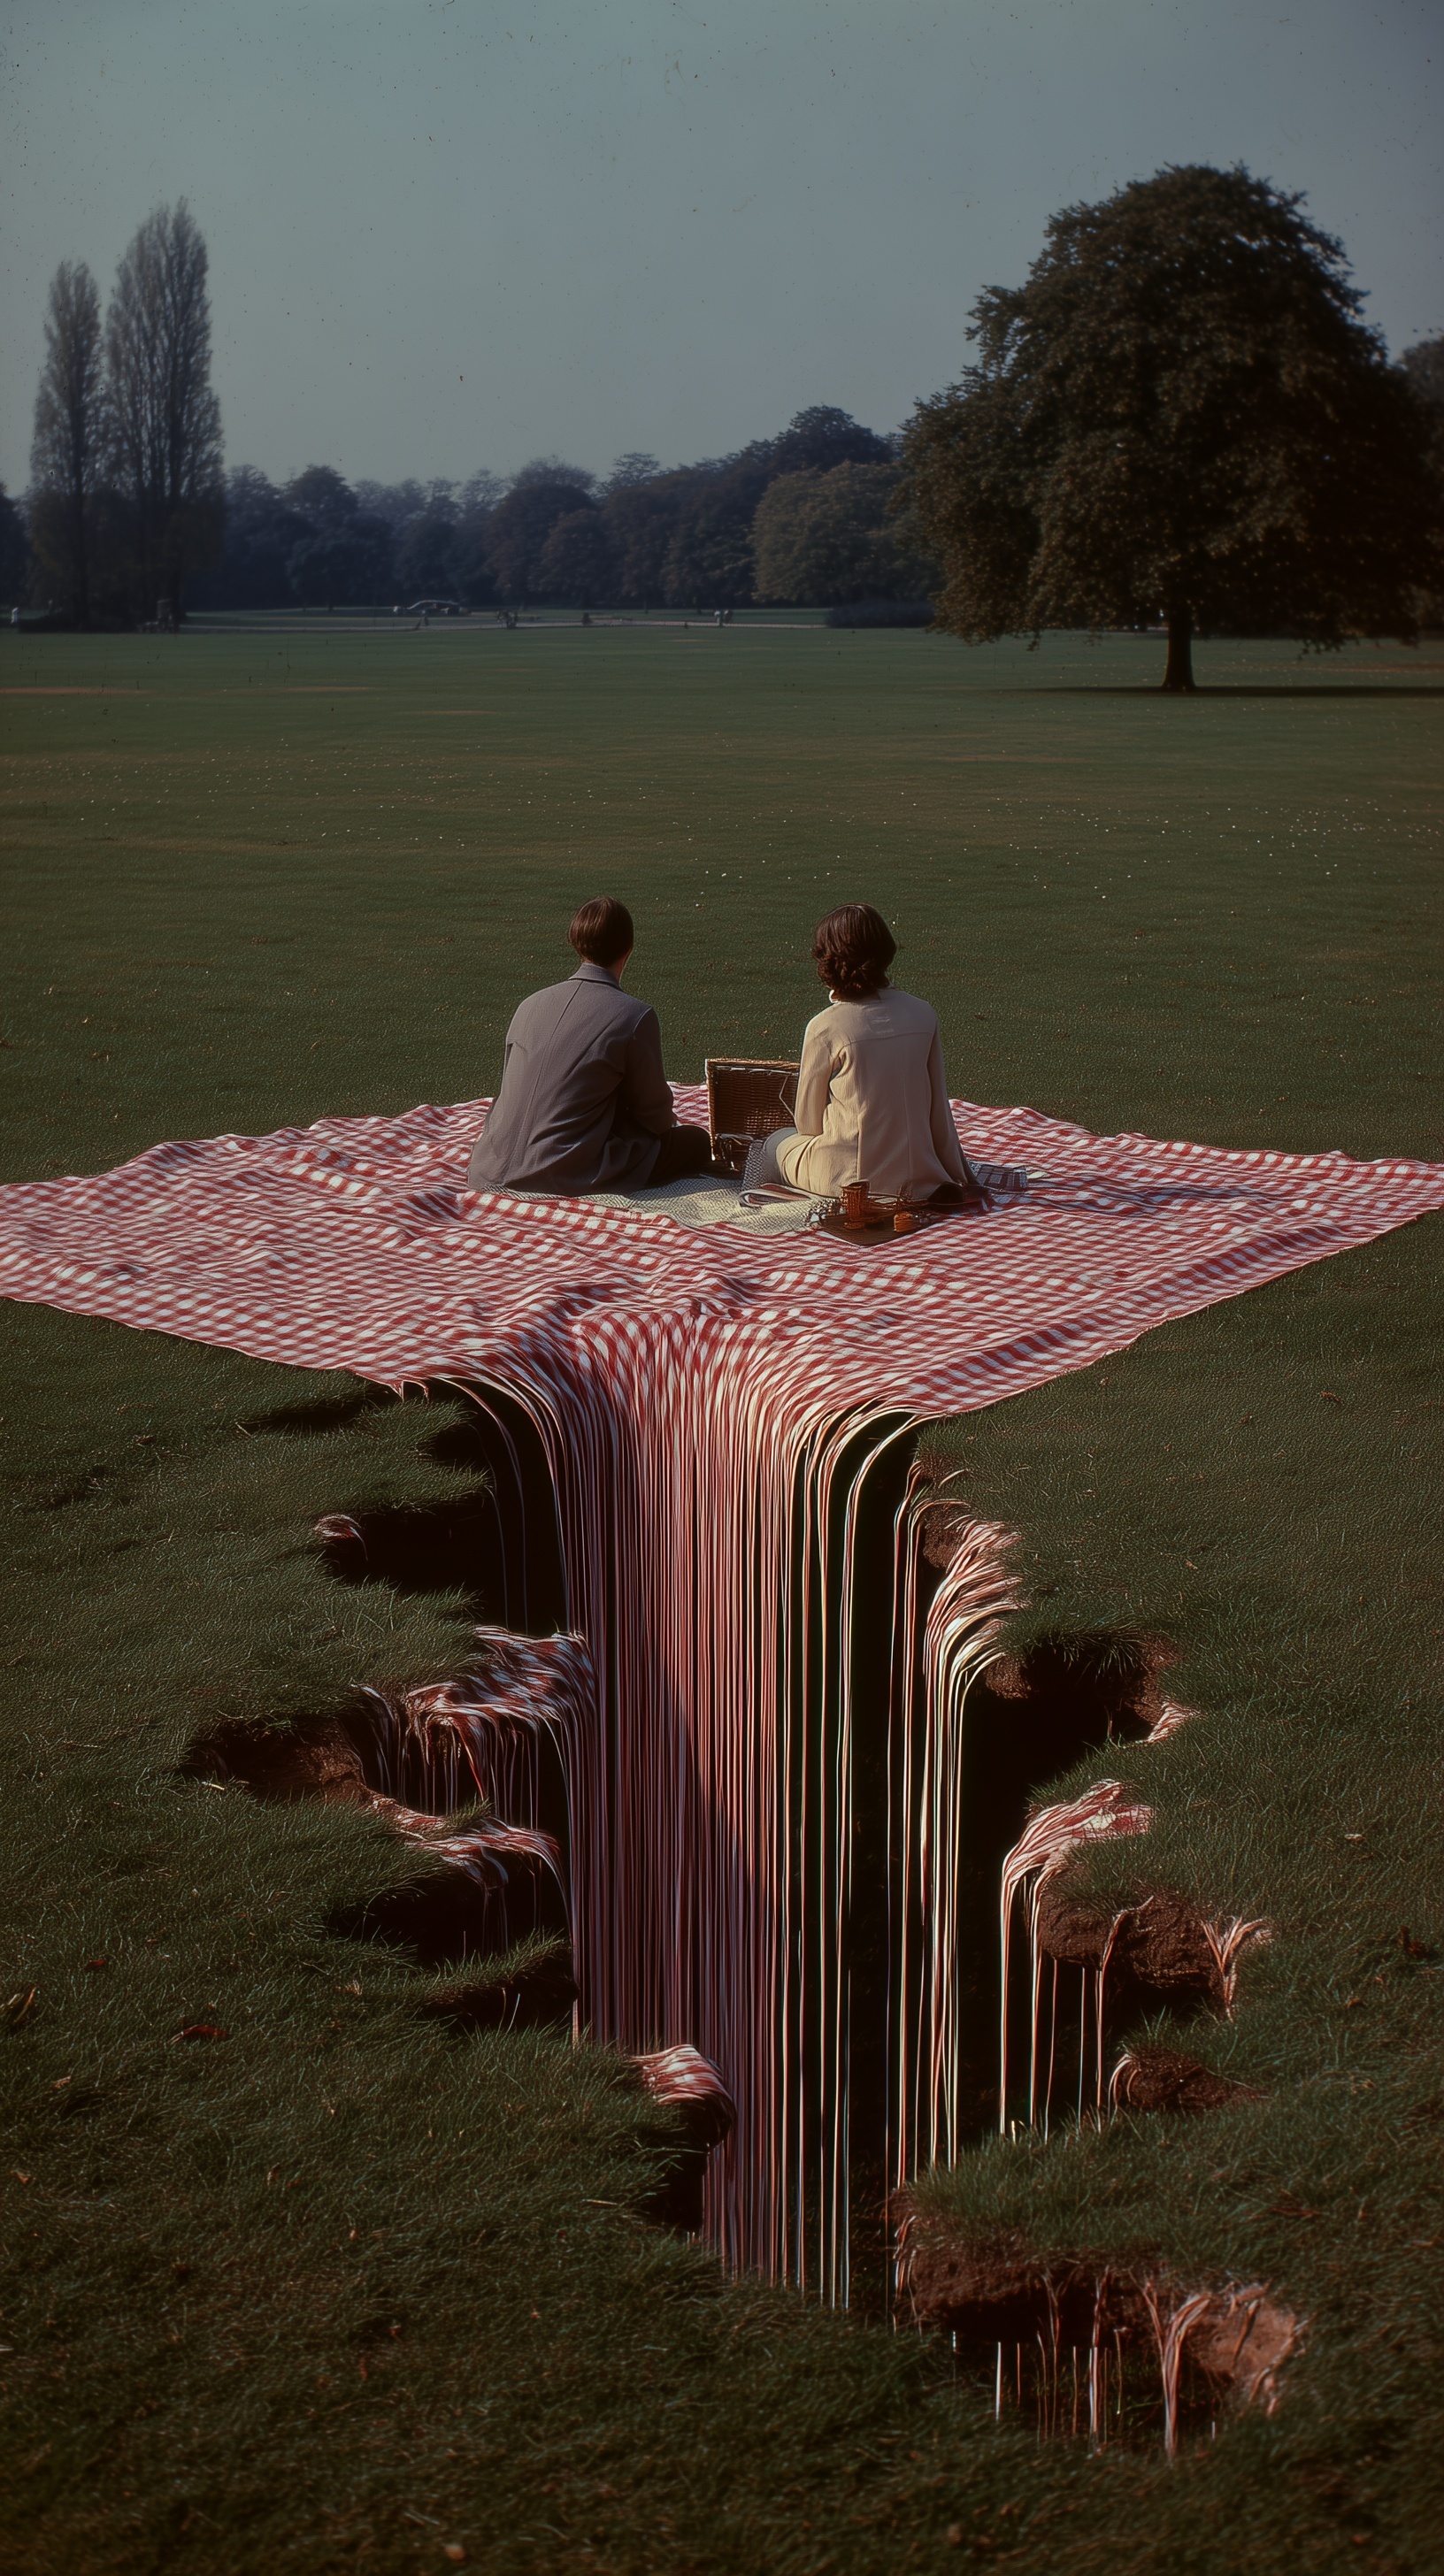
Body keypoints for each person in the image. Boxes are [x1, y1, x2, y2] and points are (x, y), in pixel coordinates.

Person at [467, 897, 717, 1194]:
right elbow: (655, 1116)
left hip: (488, 1164)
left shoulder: (529, 1004)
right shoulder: (634, 1015)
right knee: (696, 1142)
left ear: (576, 942)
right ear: (629, 949)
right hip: (561, 1171)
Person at [759, 903, 973, 1201]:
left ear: (828, 961)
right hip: (922, 1173)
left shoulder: (825, 1027)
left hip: (850, 1181)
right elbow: (939, 1111)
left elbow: (807, 1125)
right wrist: (955, 1173)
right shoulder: (924, 1013)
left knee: (775, 1143)